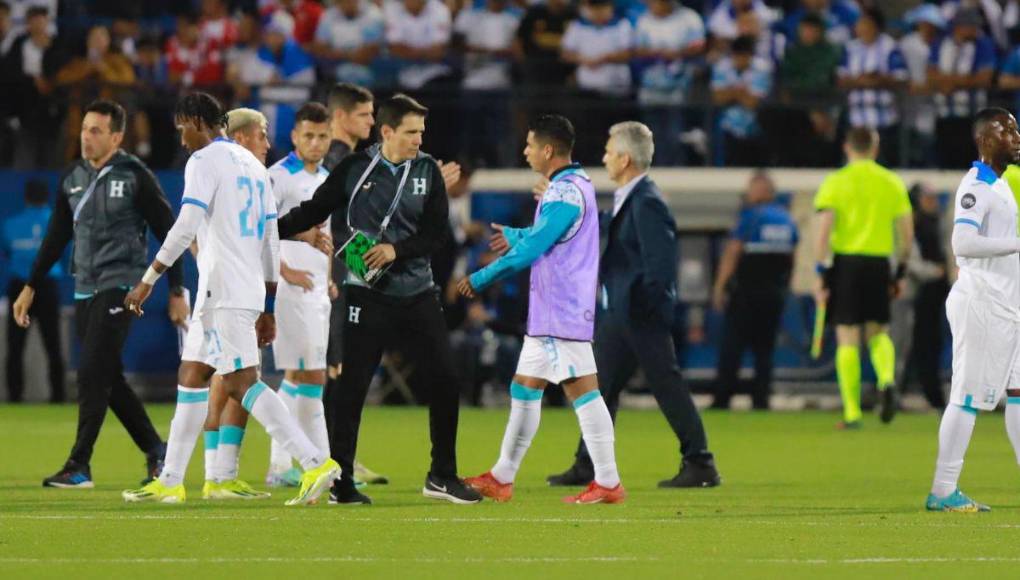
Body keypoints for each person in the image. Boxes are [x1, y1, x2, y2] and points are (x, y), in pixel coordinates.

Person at [120, 91, 340, 505]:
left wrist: (150, 278)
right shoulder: (255, 168)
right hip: (236, 290)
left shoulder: (204, 160)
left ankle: (315, 461)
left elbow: (187, 223)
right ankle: (170, 479)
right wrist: (270, 304)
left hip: (224, 291)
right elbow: (270, 241)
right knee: (192, 375)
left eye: (183, 128)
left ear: (198, 122)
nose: (181, 138)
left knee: (242, 383)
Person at [277, 94, 482, 505]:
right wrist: (269, 229)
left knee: (445, 379)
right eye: (411, 132)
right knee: (351, 389)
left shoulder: (427, 171)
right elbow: (316, 209)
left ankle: (441, 475)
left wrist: (395, 250)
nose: (418, 140)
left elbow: (436, 235)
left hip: (417, 293)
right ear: (387, 132)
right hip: (365, 294)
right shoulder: (354, 168)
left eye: (421, 132)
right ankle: (342, 483)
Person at [12, 100, 188, 488]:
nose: (86, 137)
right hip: (84, 286)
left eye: (96, 131)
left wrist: (176, 289)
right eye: (84, 129)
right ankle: (157, 450)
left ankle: (80, 464)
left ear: (116, 136)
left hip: (123, 285)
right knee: (106, 376)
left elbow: (170, 234)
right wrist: (31, 284)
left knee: (92, 372)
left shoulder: (135, 175)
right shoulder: (72, 176)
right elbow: (57, 236)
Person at [457, 115, 625, 504]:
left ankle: (609, 481)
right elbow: (552, 236)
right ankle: (502, 476)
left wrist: (481, 278)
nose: (525, 151)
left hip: (560, 311)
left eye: (531, 145)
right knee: (525, 388)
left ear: (548, 150)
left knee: (583, 392)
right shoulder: (572, 185)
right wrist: (516, 234)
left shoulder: (564, 193)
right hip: (554, 311)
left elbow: (533, 251)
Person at [546, 121, 721, 489]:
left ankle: (700, 462)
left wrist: (646, 309)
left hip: (638, 314)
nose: (605, 157)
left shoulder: (647, 202)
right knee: (599, 389)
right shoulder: (631, 199)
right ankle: (588, 463)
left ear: (624, 159)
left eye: (609, 152)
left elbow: (661, 265)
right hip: (619, 315)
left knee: (665, 385)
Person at [926, 107, 1020, 512]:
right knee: (966, 397)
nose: (1017, 137)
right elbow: (962, 244)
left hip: (1007, 307)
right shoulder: (976, 186)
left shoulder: (1000, 186)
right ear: (986, 140)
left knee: (1018, 393)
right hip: (983, 304)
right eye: (1008, 130)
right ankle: (943, 490)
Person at [813, 127, 913, 430]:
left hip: (846, 263)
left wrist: (821, 272)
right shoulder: (892, 182)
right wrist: (900, 273)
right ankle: (886, 379)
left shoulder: (835, 182)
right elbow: (907, 237)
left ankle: (852, 413)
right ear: (875, 147)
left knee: (847, 337)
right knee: (878, 332)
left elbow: (823, 232)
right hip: (879, 263)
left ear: (846, 147)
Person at [265, 102, 333, 487]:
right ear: (294, 136)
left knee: (304, 376)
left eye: (323, 136)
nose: (316, 143)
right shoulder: (278, 177)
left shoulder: (327, 176)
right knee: (307, 374)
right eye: (309, 135)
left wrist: (331, 277)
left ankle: (294, 462)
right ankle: (289, 463)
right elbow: (263, 229)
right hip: (292, 289)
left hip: (317, 289)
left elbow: (329, 233)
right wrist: (284, 270)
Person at [711, 171, 797, 410]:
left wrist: (719, 287)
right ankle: (761, 399)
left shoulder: (750, 218)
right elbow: (793, 258)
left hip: (746, 294)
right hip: (774, 295)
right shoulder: (787, 220)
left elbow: (732, 253)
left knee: (732, 348)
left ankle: (723, 398)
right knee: (765, 350)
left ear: (761, 191)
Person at [3, 179, 65, 403]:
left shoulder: (11, 224)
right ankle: (58, 397)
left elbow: (8, 252)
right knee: (53, 344)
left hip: (20, 287)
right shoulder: (56, 222)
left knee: (15, 345)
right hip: (47, 287)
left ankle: (14, 397)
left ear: (26, 198)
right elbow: (65, 253)